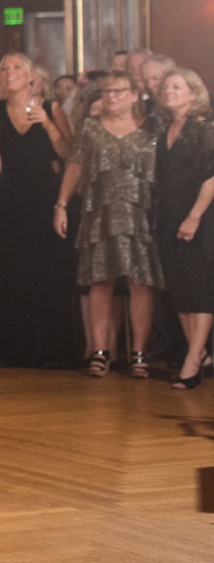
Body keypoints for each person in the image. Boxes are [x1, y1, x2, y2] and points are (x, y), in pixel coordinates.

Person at [58, 71, 162, 378]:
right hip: (100, 213)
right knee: (100, 282)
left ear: (133, 95)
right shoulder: (90, 128)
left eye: (118, 91)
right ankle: (100, 351)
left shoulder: (152, 128)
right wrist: (61, 205)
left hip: (142, 215)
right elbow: (75, 165)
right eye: (106, 92)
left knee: (140, 284)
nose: (112, 96)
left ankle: (140, 353)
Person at [0, 53, 81, 368]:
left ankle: (53, 351)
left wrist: (47, 125)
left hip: (45, 200)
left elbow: (70, 152)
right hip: (11, 201)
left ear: (31, 76)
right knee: (13, 274)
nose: (10, 72)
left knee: (49, 274)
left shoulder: (52, 108)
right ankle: (15, 350)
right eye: (5, 68)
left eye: (17, 67)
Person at [154, 69, 214, 389]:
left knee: (199, 289)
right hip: (169, 216)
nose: (168, 91)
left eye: (177, 86)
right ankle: (199, 351)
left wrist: (194, 216)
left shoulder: (205, 129)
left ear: (194, 93)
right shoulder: (165, 128)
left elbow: (212, 176)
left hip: (200, 216)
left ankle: (192, 361)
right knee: (179, 288)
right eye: (166, 87)